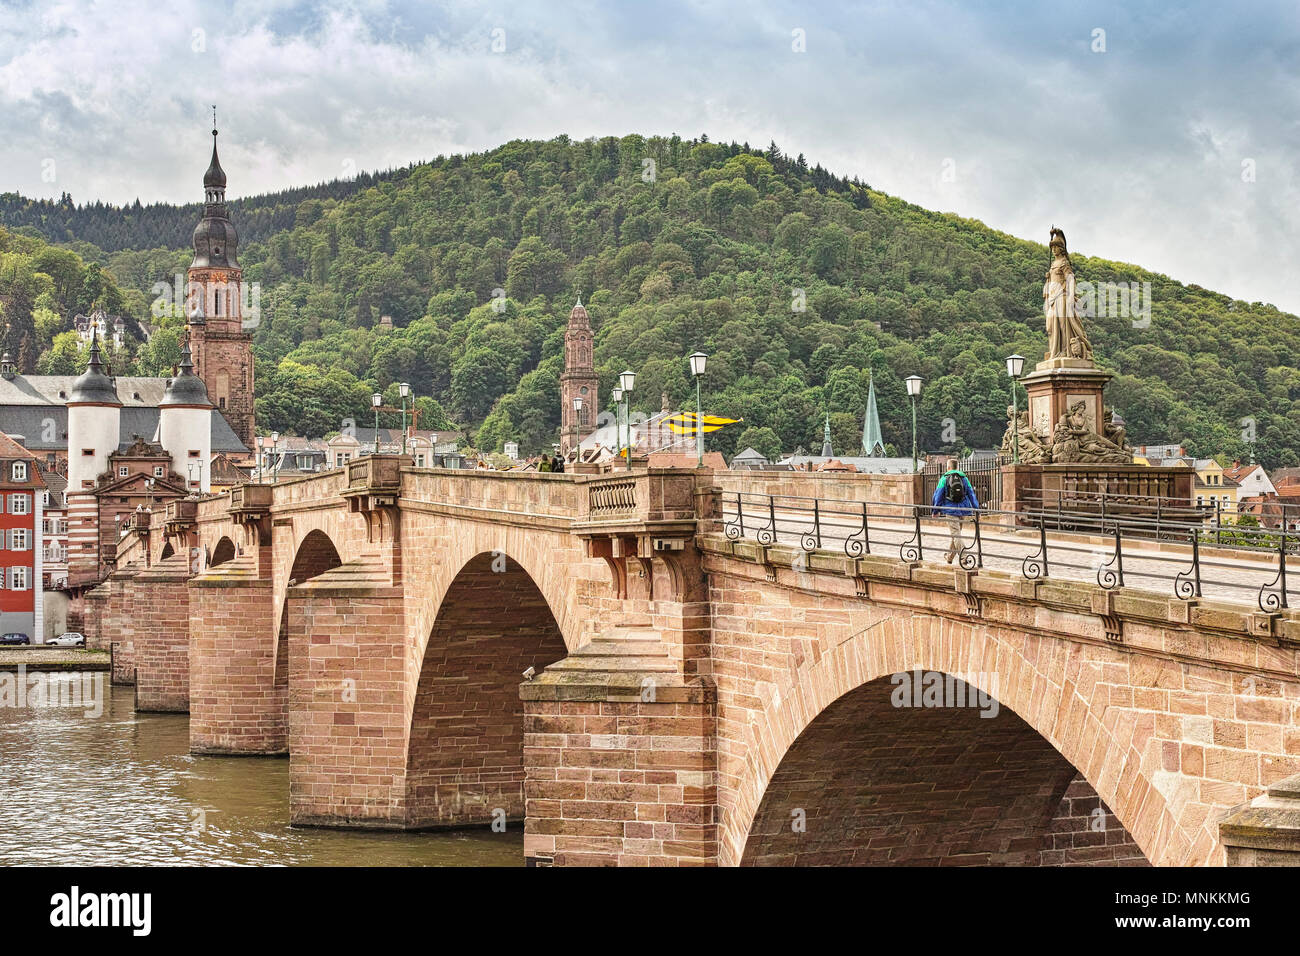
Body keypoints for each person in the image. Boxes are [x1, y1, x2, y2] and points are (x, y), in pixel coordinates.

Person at [931, 457, 980, 564]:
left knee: (956, 535)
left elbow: (938, 495)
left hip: (950, 510)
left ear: (948, 467)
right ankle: (949, 557)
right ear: (956, 467)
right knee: (956, 534)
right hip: (963, 510)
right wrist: (976, 509)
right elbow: (971, 494)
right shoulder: (964, 478)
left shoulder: (944, 478)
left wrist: (935, 511)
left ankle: (964, 556)